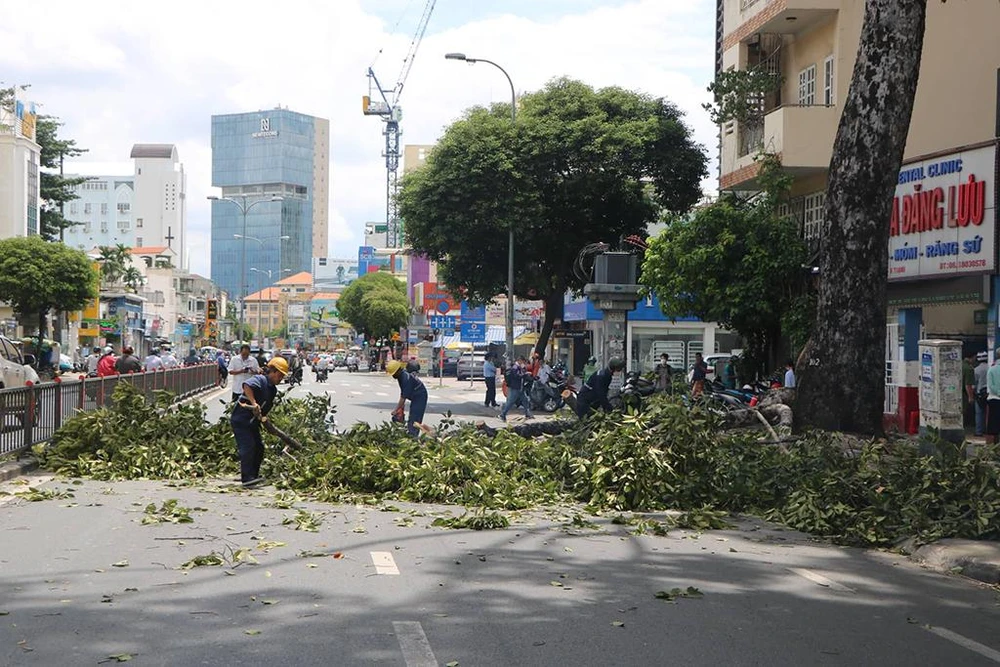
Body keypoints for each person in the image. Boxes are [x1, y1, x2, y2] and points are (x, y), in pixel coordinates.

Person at [230, 356, 288, 488]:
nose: (280, 379)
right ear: (272, 371)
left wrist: (266, 422)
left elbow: (265, 408)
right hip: (241, 420)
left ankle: (253, 476)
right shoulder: (260, 380)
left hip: (253, 423)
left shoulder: (272, 390)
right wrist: (254, 403)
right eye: (279, 375)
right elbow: (247, 386)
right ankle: (247, 478)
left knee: (259, 447)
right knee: (248, 446)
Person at [387, 359, 428, 436]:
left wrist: (396, 410)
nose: (393, 376)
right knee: (409, 420)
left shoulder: (406, 378)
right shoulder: (400, 377)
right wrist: (400, 409)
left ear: (398, 370)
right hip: (413, 396)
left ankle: (413, 438)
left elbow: (403, 397)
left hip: (420, 396)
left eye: (394, 374)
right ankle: (410, 435)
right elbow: (403, 393)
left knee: (414, 420)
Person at [499, 357, 533, 422]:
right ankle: (502, 414)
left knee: (525, 400)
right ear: (519, 361)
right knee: (510, 402)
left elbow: (522, 377)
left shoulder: (519, 367)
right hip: (515, 388)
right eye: (523, 362)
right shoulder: (515, 367)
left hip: (520, 388)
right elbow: (517, 376)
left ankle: (528, 414)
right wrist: (525, 374)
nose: (524, 363)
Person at [974, 351, 989, 437]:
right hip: (989, 393)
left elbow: (974, 384)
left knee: (979, 413)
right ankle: (988, 430)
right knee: (989, 413)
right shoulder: (990, 367)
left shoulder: (976, 370)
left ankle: (979, 431)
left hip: (980, 394)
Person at [986, 356, 1000, 445]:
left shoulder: (991, 370)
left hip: (994, 399)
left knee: (993, 425)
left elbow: (991, 385)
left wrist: (998, 392)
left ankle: (993, 446)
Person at [964, 353, 977, 428]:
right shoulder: (969, 368)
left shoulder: (960, 364)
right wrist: (970, 397)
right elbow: (968, 384)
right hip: (965, 394)